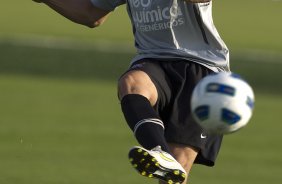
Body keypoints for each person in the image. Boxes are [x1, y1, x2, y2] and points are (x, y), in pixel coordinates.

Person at [33, 0, 229, 183]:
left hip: (202, 68)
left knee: (175, 174)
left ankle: (167, 159)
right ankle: (160, 151)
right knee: (131, 83)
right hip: (152, 58)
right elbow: (91, 13)